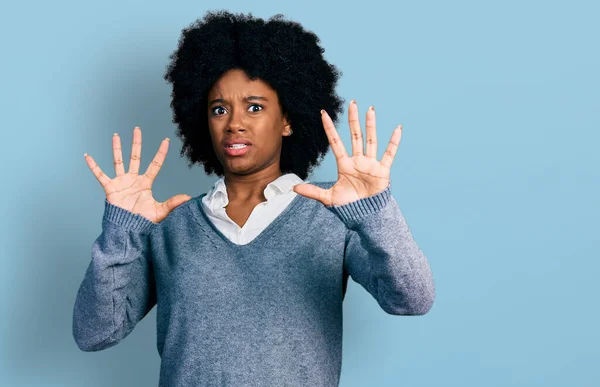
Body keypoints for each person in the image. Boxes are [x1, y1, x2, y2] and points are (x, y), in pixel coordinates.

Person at [73, 10, 435, 387]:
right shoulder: (171, 226)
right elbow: (94, 332)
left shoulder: (333, 219)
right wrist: (122, 233)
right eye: (219, 109)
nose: (234, 123)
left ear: (288, 120)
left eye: (255, 107)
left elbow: (412, 299)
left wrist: (374, 211)